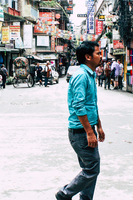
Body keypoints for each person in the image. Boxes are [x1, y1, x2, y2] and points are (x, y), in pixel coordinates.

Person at [55, 41, 105, 200]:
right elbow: (79, 106)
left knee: (90, 168)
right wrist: (90, 132)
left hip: (87, 130)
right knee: (92, 169)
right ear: (88, 57)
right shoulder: (81, 76)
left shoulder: (90, 74)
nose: (101, 56)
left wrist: (99, 126)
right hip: (81, 132)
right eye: (98, 53)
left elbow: (91, 105)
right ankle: (65, 193)